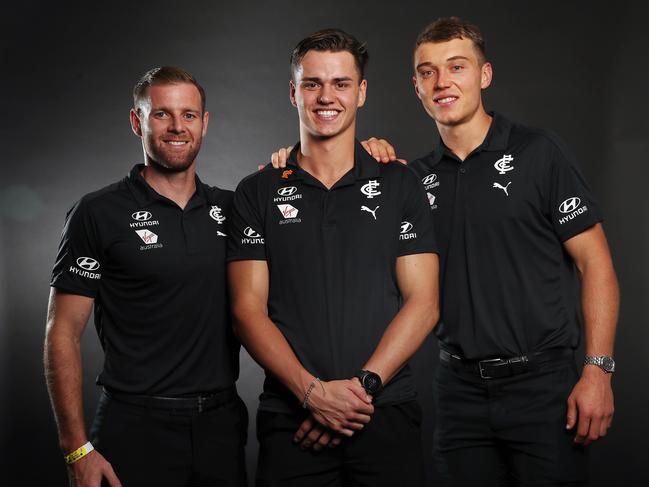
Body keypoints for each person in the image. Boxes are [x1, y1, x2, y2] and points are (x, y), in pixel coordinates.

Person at [272, 16, 619, 487]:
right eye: (428, 72)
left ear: (484, 75)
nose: (442, 82)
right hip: (458, 392)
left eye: (456, 67)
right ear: (415, 85)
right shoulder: (410, 180)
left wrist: (598, 371)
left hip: (543, 385)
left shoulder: (539, 153)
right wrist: (288, 165)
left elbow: (594, 262)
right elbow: (331, 189)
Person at [227, 29, 439, 486]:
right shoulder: (257, 192)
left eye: (341, 83)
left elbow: (424, 302)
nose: (327, 96)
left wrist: (358, 392)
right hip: (292, 421)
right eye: (312, 83)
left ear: (361, 92)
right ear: (293, 92)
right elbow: (246, 311)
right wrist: (312, 395)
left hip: (385, 412)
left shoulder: (401, 184)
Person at [44, 66, 247, 487]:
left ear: (204, 124)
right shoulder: (97, 213)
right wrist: (76, 449)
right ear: (137, 121)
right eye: (161, 114)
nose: (177, 127)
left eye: (189, 115)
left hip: (220, 425)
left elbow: (303, 194)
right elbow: (61, 331)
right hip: (134, 426)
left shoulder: (235, 209)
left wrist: (368, 156)